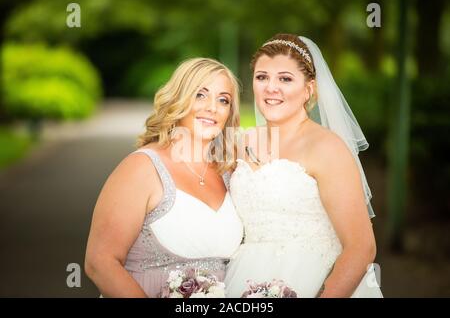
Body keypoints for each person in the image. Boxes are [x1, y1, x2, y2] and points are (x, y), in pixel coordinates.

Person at [224, 34, 383, 298]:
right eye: (262, 77)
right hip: (244, 278)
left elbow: (362, 247)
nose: (270, 87)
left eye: (285, 79)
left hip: (315, 279)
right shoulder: (240, 143)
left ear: (309, 89)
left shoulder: (328, 149)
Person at [85, 57, 244, 297]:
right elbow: (100, 262)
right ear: (178, 99)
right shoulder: (141, 168)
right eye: (200, 95)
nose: (212, 107)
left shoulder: (230, 173)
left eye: (223, 100)